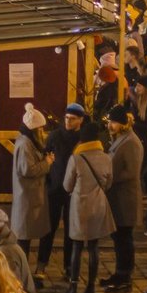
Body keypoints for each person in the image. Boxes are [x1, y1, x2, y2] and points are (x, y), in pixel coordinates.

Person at [62, 122, 114, 293]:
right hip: (98, 204)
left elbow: (67, 186)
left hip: (79, 206)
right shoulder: (106, 158)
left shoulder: (76, 159)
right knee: (93, 246)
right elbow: (108, 183)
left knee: (77, 246)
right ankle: (91, 287)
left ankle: (73, 286)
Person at [36, 103, 82, 282]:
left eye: (73, 119)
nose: (68, 121)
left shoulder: (82, 139)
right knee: (49, 228)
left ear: (80, 120)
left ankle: (69, 266)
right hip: (55, 188)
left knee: (71, 230)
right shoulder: (55, 136)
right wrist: (48, 182)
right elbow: (46, 157)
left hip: (74, 191)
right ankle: (41, 263)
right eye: (67, 118)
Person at [103, 103, 144, 292]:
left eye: (113, 122)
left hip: (125, 198)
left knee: (124, 238)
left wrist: (110, 178)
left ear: (122, 123)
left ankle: (124, 274)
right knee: (119, 237)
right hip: (117, 198)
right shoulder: (120, 139)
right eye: (110, 122)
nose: (110, 125)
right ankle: (120, 273)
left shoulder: (130, 142)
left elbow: (132, 172)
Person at [10, 104, 53, 259]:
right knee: (23, 238)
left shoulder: (28, 142)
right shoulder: (25, 144)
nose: (42, 132)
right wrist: (46, 163)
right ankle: (22, 272)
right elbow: (28, 170)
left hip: (31, 195)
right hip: (27, 196)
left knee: (26, 236)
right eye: (40, 129)